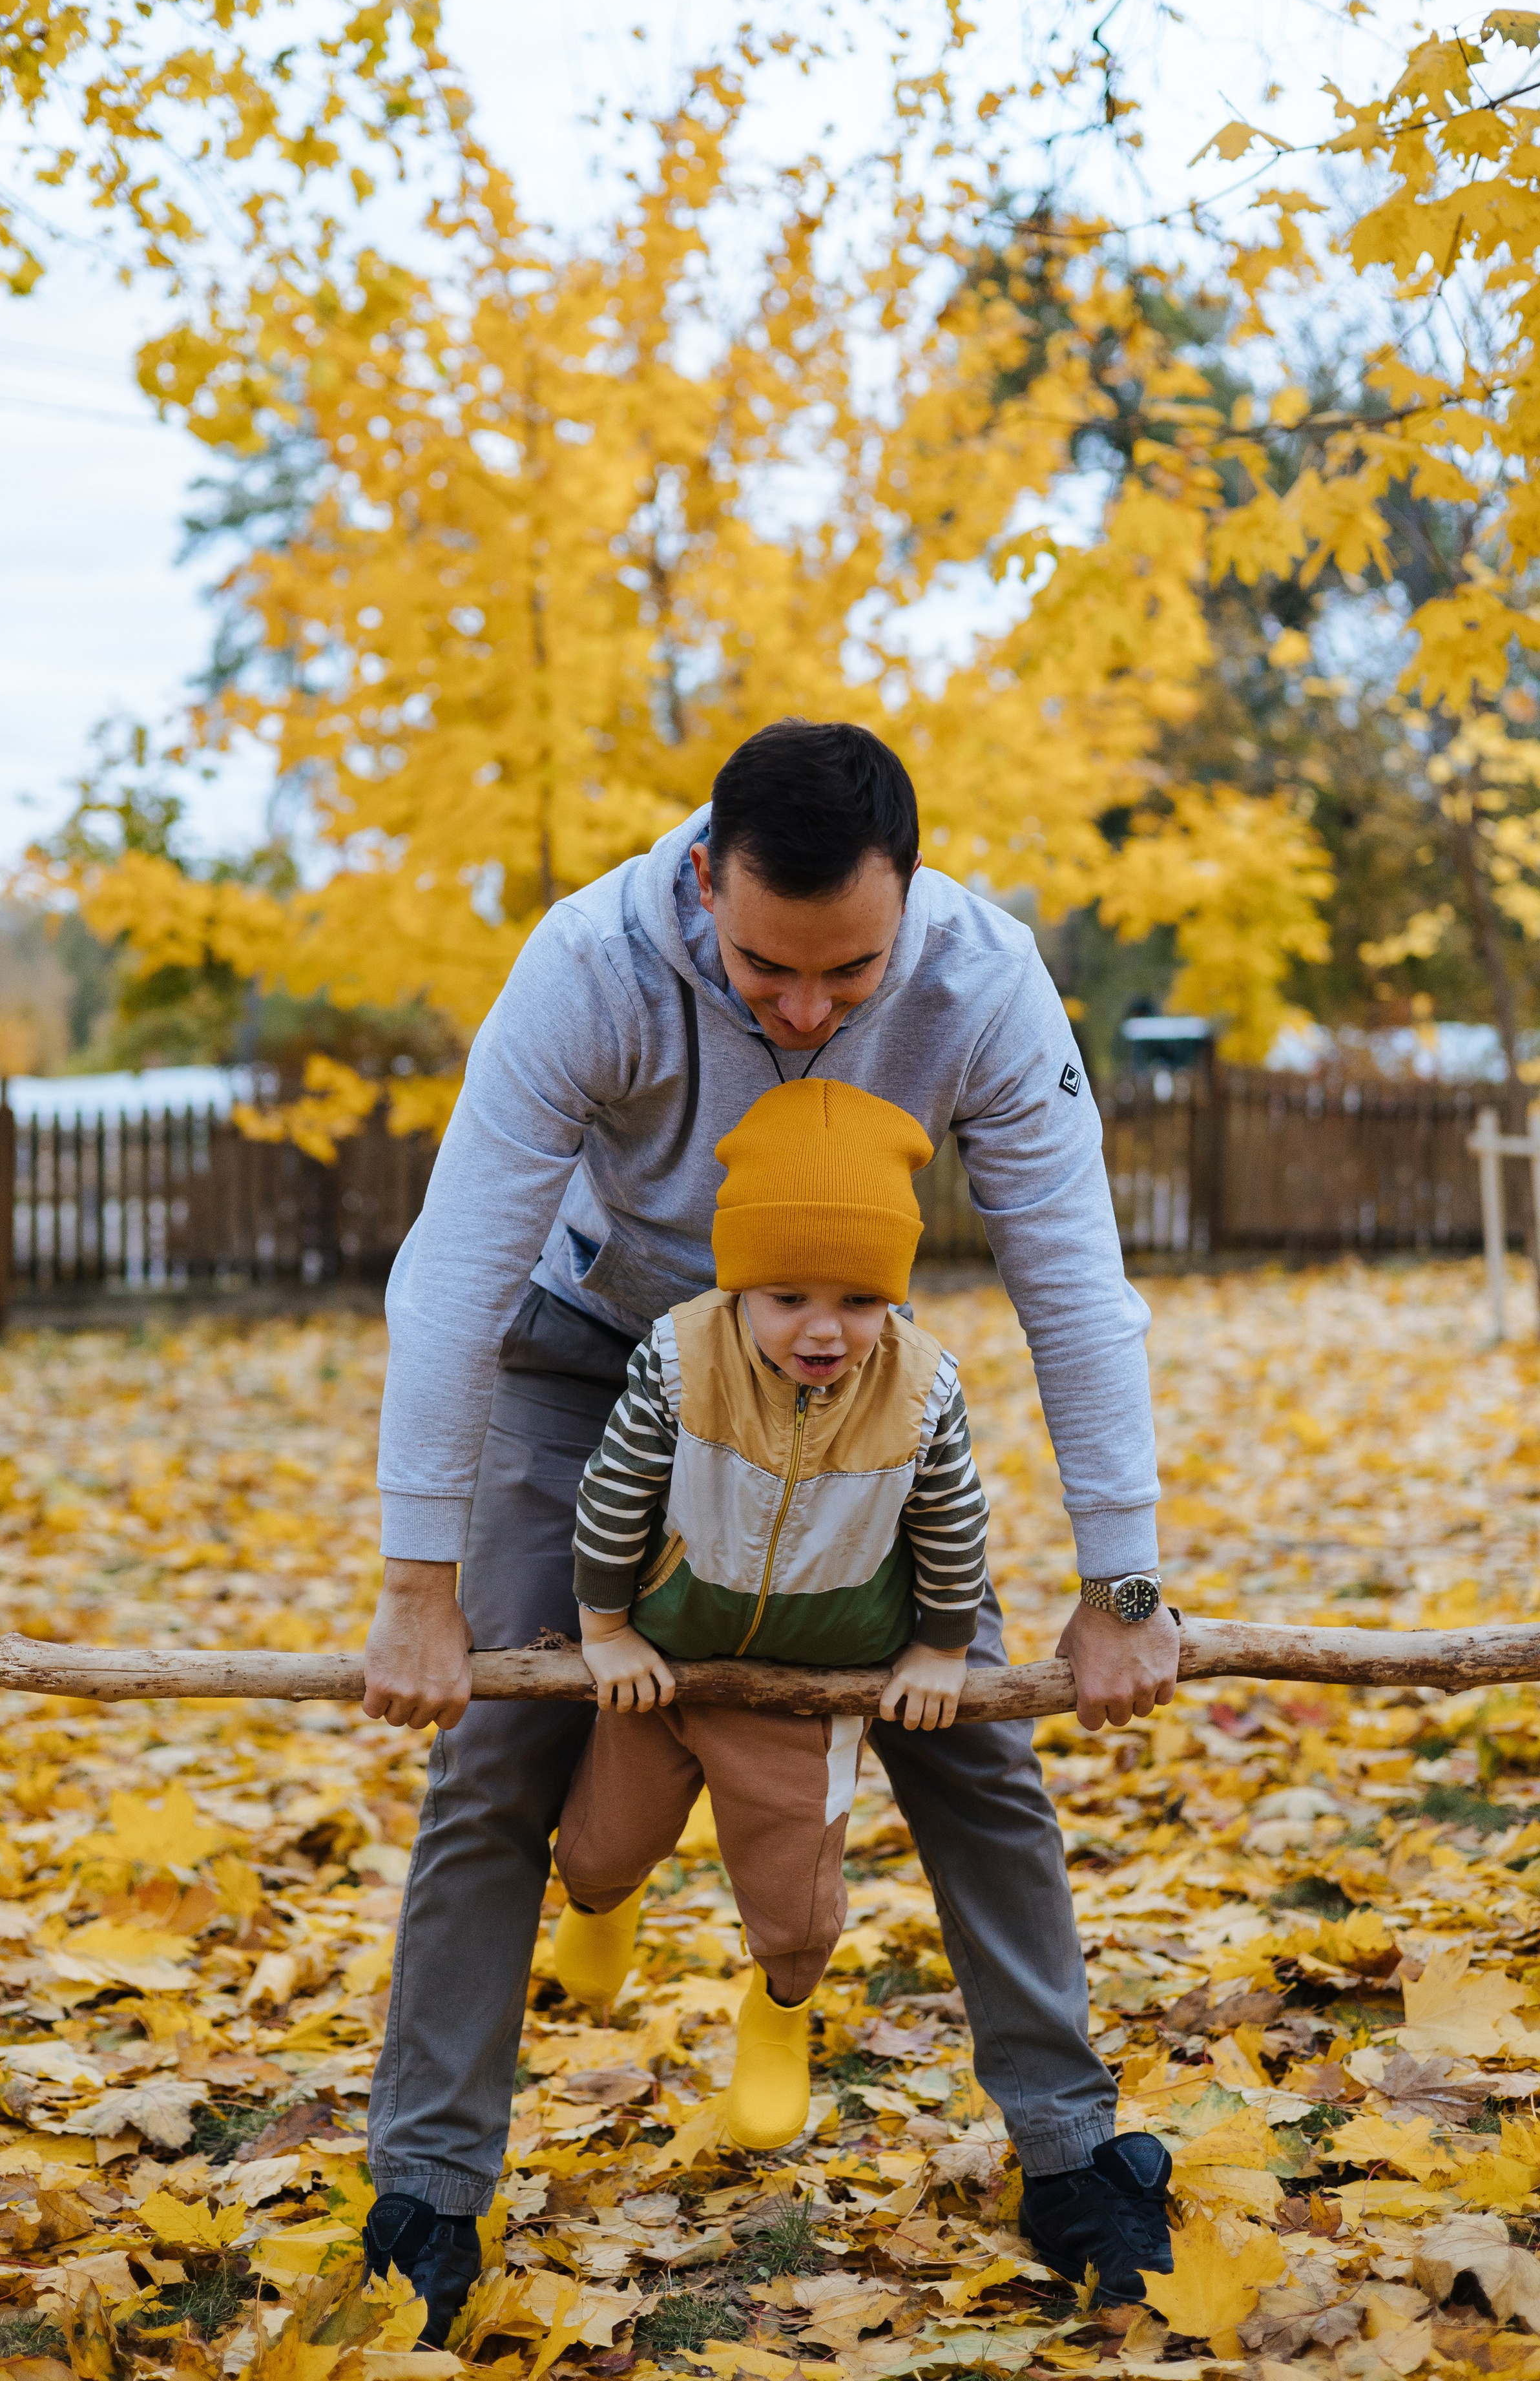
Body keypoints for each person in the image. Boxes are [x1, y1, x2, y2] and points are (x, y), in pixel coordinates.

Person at [359, 718, 1180, 2330]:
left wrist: (1124, 1577)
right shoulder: (588, 961)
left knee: (967, 1738)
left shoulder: (987, 984)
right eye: (763, 968)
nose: (802, 1012)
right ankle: (427, 2186)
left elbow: (1073, 1284)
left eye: (846, 974)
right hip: (585, 1352)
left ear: (912, 904)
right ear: (698, 879)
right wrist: (416, 1581)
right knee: (504, 1738)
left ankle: (1073, 2148)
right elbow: (454, 1270)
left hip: (829, 1367)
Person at [552, 1077, 988, 2153]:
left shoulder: (922, 1388)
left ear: (894, 1297)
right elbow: (613, 1493)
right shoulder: (679, 1357)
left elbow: (953, 1523)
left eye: (857, 1298)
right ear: (738, 1284)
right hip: (664, 1659)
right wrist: (606, 1629)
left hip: (814, 1683)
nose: (824, 1329)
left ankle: (780, 2015)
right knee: (601, 1845)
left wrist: (942, 1644)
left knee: (797, 1909)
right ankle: (602, 1905)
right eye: (787, 1294)